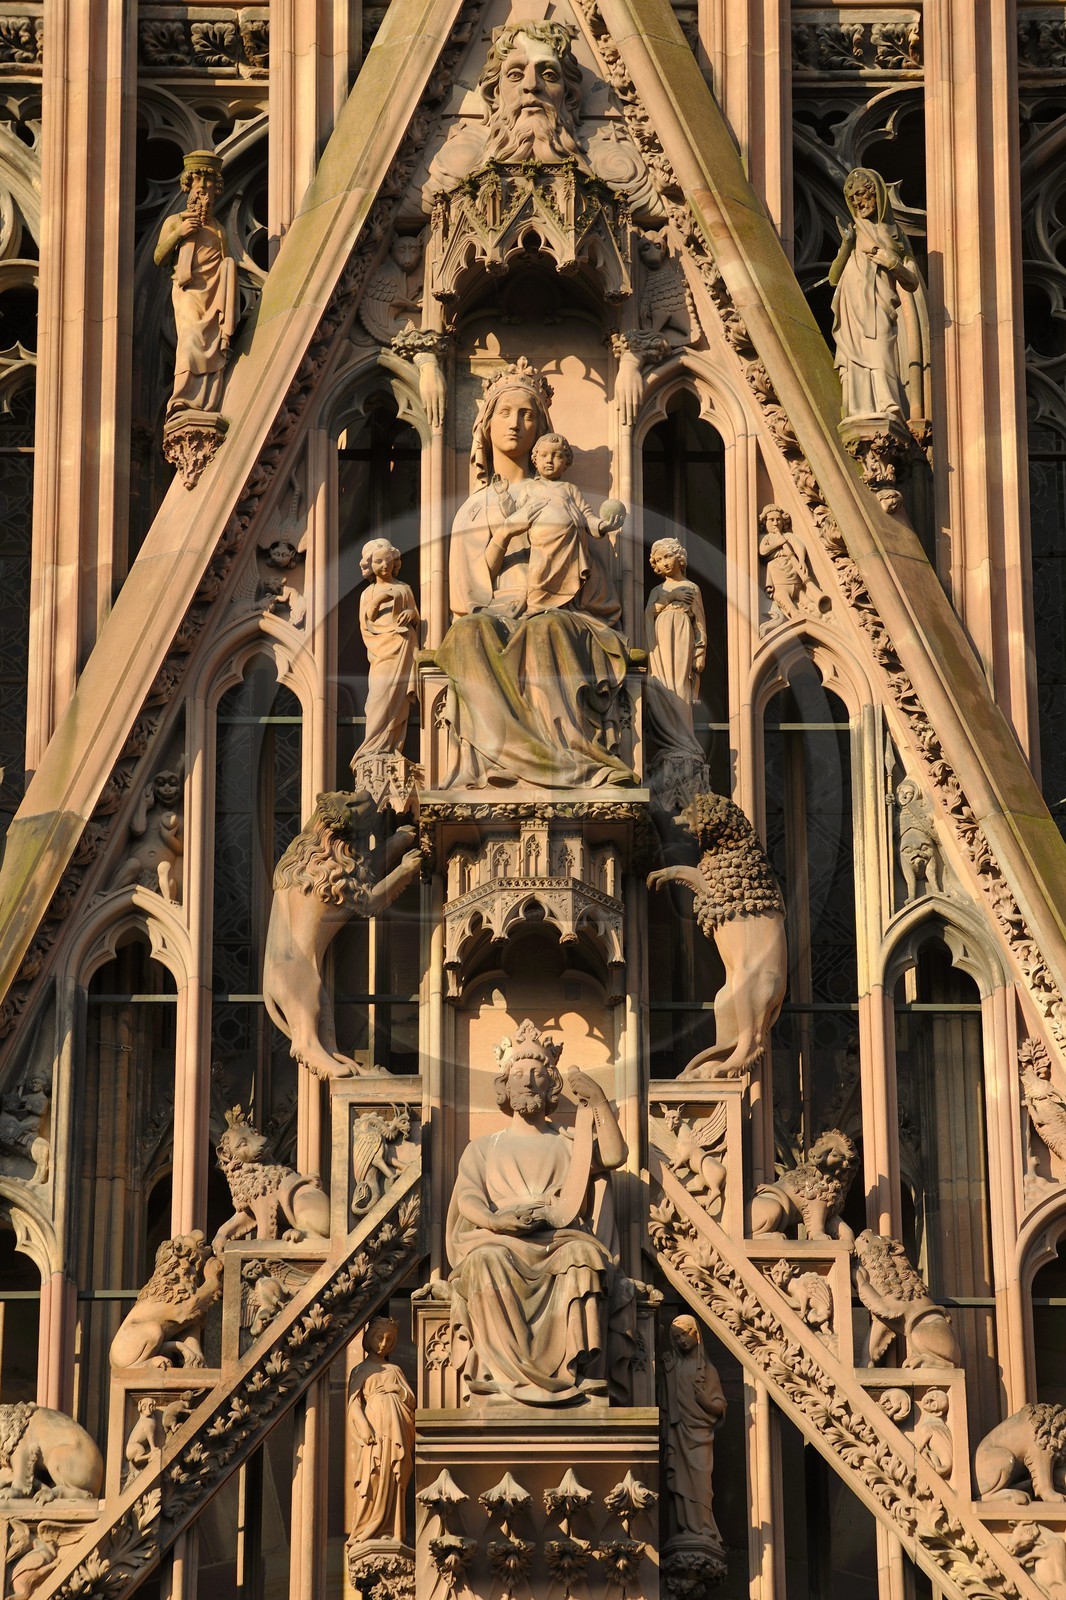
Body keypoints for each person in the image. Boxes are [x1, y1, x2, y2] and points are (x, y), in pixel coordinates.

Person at [433, 359, 637, 789]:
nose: (515, 424)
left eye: (527, 415)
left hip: (558, 608)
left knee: (548, 629)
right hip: (497, 611)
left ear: (541, 430)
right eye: (505, 413)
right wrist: (506, 534)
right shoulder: (475, 507)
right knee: (468, 633)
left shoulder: (562, 494)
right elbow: (469, 593)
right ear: (486, 426)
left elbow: (589, 576)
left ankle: (563, 757)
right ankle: (499, 754)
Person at [445, 1020, 635, 1405]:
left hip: (558, 1239)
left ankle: (575, 1371)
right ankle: (503, 1374)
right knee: (484, 1261)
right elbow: (468, 1199)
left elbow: (615, 1156)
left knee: (583, 1256)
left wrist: (599, 1102)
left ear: (551, 1084)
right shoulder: (482, 1148)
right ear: (505, 1084)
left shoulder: (568, 1143)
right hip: (501, 1240)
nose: (528, 1081)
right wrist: (496, 1221)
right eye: (518, 1074)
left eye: (538, 1073)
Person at [154, 150, 238, 426]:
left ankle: (207, 399)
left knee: (213, 346)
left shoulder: (218, 230)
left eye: (210, 193)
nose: (205, 198)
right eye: (200, 192)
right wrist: (179, 234)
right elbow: (159, 257)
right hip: (189, 292)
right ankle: (183, 397)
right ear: (189, 191)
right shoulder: (176, 222)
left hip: (213, 294)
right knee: (190, 342)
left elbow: (224, 263)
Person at [828, 167, 918, 422]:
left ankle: (887, 404)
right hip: (852, 306)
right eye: (852, 198)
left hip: (879, 305)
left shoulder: (896, 235)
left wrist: (892, 263)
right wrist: (846, 244)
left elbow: (912, 282)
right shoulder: (855, 232)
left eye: (861, 194)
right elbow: (833, 277)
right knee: (854, 359)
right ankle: (859, 408)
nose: (858, 202)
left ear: (876, 193)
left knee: (880, 351)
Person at [347, 1315, 416, 1544]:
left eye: (389, 1339)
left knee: (394, 1477)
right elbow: (353, 1404)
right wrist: (364, 1427)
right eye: (379, 1338)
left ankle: (392, 1531)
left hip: (397, 1429)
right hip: (376, 1429)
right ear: (369, 1338)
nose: (384, 1343)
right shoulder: (361, 1370)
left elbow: (411, 1401)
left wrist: (398, 1390)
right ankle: (368, 1529)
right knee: (374, 1475)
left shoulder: (394, 1370)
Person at [352, 538, 420, 762]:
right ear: (369, 565)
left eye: (387, 560)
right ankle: (373, 747)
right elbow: (366, 621)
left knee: (397, 701)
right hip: (380, 652)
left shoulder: (404, 588)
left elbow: (415, 615)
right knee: (378, 698)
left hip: (401, 646)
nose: (384, 566)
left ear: (394, 561)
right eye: (378, 562)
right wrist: (380, 598)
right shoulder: (367, 593)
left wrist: (410, 614)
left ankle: (389, 746)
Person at [661, 1314, 727, 1540]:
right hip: (678, 1431)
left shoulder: (708, 1371)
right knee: (680, 1481)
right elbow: (666, 1398)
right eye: (676, 1338)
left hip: (700, 1434)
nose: (681, 1341)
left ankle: (703, 1525)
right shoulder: (674, 1367)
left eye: (684, 1335)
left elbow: (720, 1406)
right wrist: (667, 1370)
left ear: (695, 1334)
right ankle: (686, 1526)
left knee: (701, 1483)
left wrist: (707, 1402)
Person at [644, 537, 706, 759]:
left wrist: (700, 652)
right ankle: (670, 740)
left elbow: (700, 622)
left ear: (679, 557)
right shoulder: (658, 589)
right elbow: (648, 613)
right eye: (659, 560)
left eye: (668, 556)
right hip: (660, 638)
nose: (665, 563)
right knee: (663, 684)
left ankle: (684, 739)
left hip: (681, 632)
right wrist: (671, 597)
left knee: (680, 683)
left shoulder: (692, 588)